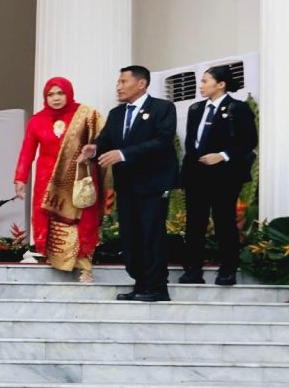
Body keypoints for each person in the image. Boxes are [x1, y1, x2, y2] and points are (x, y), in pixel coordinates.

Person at [88, 64, 178, 303]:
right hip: (126, 185)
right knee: (130, 236)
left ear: (141, 83)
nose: (118, 87)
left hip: (153, 183)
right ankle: (141, 283)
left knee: (151, 234)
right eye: (118, 82)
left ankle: (158, 287)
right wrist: (94, 147)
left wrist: (123, 154)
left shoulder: (163, 108)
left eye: (123, 82)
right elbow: (106, 140)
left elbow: (162, 141)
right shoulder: (117, 113)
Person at [13, 76, 104, 283]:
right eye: (50, 94)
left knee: (80, 220)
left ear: (69, 93)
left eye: (60, 93)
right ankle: (54, 259)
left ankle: (84, 266)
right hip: (47, 179)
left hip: (78, 177)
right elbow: (27, 152)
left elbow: (103, 140)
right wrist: (20, 178)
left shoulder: (85, 115)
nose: (55, 98)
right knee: (51, 219)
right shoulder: (37, 120)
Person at [182, 64, 257, 287]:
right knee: (195, 223)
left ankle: (227, 269)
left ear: (221, 84)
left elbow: (248, 141)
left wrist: (223, 156)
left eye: (205, 81)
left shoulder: (238, 108)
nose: (201, 85)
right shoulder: (195, 109)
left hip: (224, 176)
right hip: (197, 175)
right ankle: (193, 270)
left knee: (224, 221)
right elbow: (190, 143)